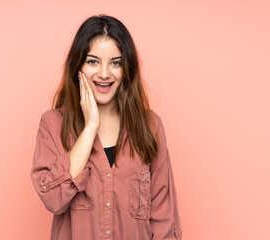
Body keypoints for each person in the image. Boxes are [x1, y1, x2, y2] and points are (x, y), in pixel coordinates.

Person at [30, 14, 182, 240]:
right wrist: (90, 127)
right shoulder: (52, 124)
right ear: (78, 65)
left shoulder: (150, 127)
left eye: (115, 62)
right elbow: (53, 198)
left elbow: (165, 221)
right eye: (93, 61)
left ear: (126, 68)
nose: (104, 73)